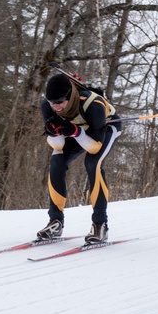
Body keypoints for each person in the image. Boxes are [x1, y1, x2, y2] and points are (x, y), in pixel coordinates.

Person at [36, 73, 121, 244]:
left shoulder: (93, 105)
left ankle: (100, 224)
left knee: (93, 163)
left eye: (60, 102)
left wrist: (76, 132)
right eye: (53, 102)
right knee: (56, 162)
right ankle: (55, 221)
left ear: (69, 97)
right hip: (79, 130)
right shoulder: (47, 106)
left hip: (106, 127)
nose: (56, 107)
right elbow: (58, 146)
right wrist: (54, 133)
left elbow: (95, 146)